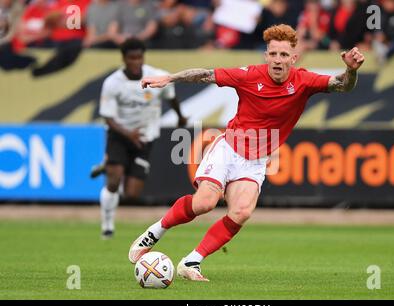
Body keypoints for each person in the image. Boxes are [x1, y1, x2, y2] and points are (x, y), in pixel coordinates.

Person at [129, 24, 364, 281]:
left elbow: (342, 86)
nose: (277, 60)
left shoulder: (304, 81)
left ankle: (191, 261)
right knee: (205, 203)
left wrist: (350, 71)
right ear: (266, 55)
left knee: (242, 212)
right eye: (273, 54)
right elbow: (205, 75)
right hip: (228, 148)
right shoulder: (249, 75)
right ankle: (154, 232)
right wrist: (170, 78)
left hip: (255, 161)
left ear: (293, 58)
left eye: (284, 55)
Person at [98, 37, 186, 239]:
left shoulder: (157, 76)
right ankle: (107, 225)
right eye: (131, 58)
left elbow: (171, 97)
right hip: (120, 135)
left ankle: (112, 164)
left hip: (145, 137)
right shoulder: (112, 83)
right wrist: (128, 134)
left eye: (139, 57)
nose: (136, 62)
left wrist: (180, 117)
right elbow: (108, 117)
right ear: (124, 58)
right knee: (113, 181)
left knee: (132, 194)